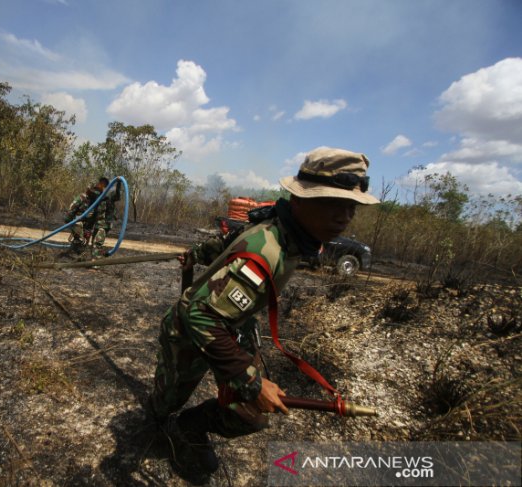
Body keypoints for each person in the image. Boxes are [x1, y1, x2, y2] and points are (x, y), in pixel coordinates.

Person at [148, 147, 380, 481]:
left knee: (250, 415)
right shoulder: (267, 250)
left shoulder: (286, 228)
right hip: (189, 334)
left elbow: (229, 240)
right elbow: (198, 313)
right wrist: (250, 380)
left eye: (351, 207)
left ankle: (189, 428)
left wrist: (197, 254)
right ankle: (159, 425)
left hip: (231, 326)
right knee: (166, 401)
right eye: (332, 204)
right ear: (299, 201)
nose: (344, 217)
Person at [64, 177, 109, 258]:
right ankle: (76, 246)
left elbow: (101, 220)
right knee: (80, 236)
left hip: (88, 228)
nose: (96, 193)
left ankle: (80, 256)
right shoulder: (82, 198)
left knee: (83, 248)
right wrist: (80, 219)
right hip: (78, 224)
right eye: (95, 190)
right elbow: (68, 216)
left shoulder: (100, 202)